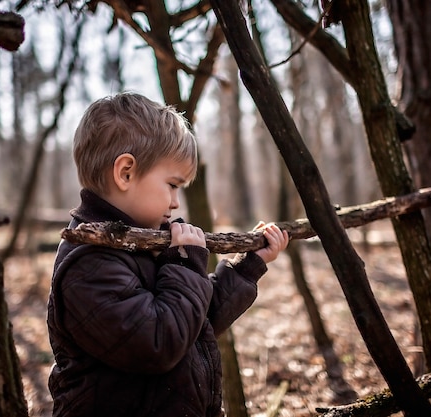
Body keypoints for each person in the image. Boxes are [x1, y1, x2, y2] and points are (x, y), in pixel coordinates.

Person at [46, 92, 289, 417]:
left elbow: (193, 321)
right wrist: (185, 264)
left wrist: (248, 267)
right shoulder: (89, 264)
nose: (176, 202)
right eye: (172, 185)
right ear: (126, 173)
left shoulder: (143, 245)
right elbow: (160, 342)